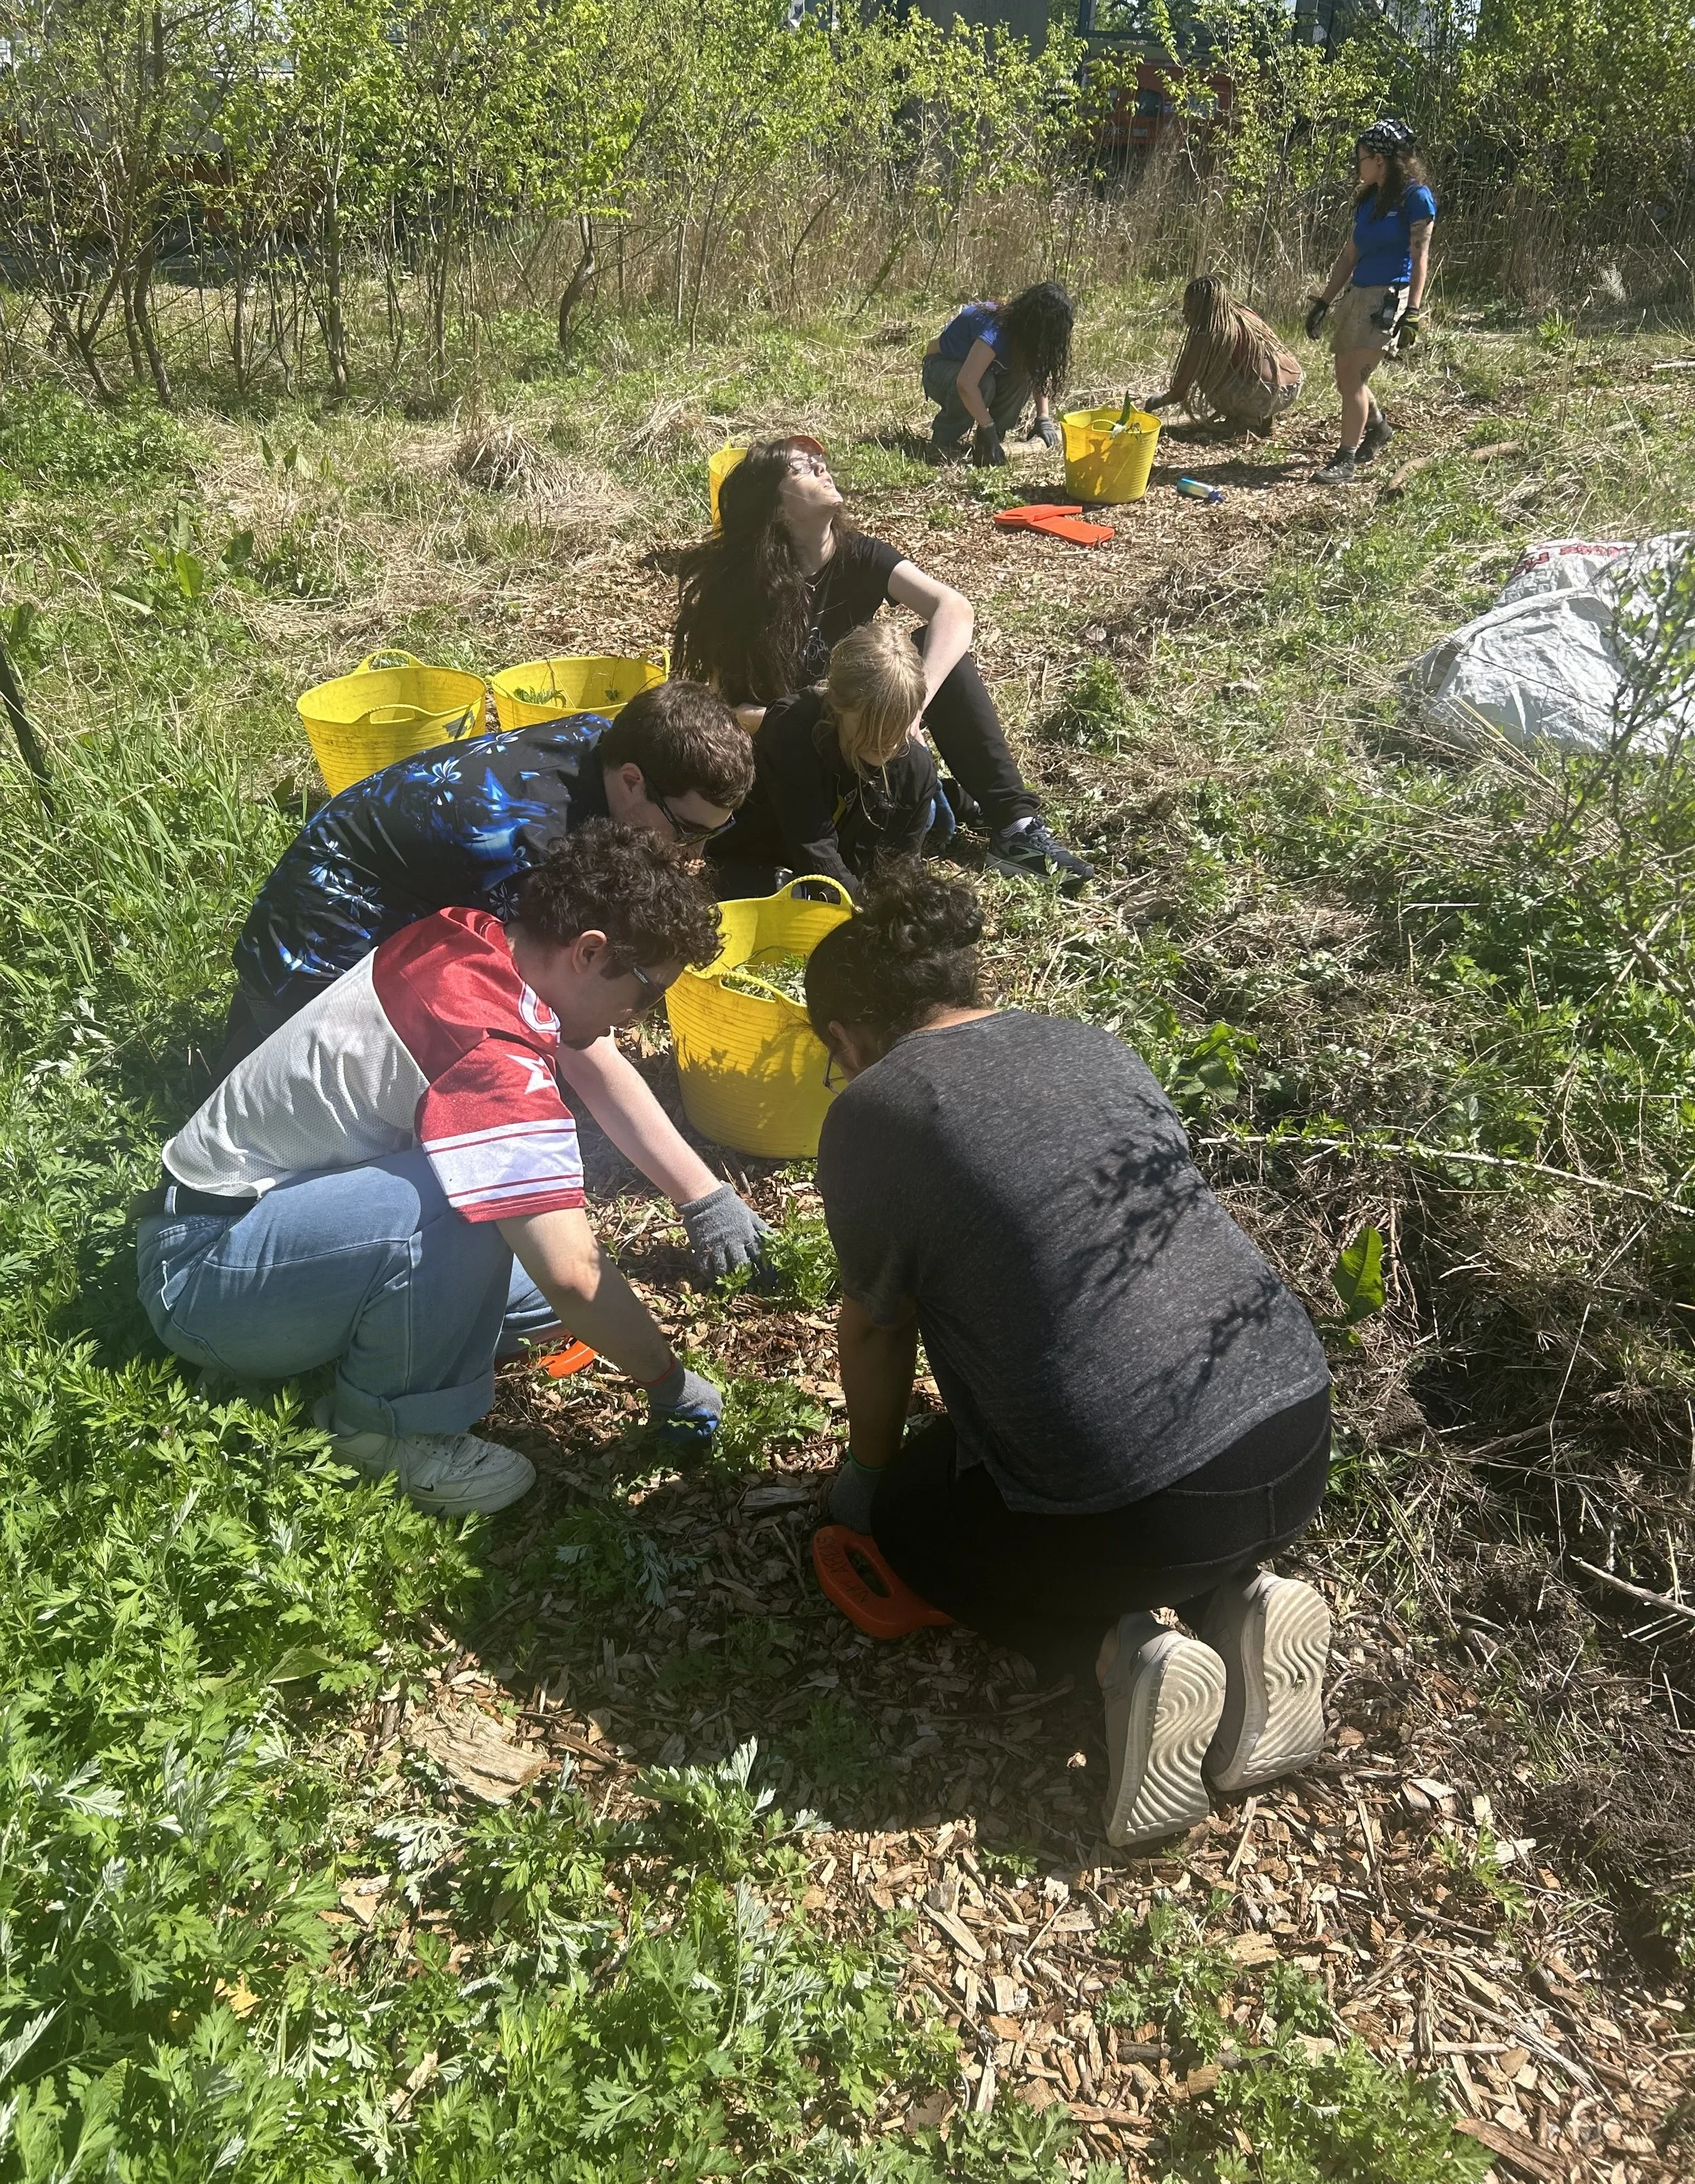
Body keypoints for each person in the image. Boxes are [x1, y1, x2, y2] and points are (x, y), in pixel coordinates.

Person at [804, 863, 1335, 1848]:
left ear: (846, 1037)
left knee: (920, 1513)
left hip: (1141, 1501)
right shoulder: (1087, 1041)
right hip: (1297, 1429)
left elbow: (878, 1329)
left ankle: (1117, 1653)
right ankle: (1241, 1596)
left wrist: (868, 1478)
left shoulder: (878, 1108)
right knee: (1147, 1477)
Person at [138, 824, 730, 1518]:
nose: (637, 1018)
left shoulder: (473, 940)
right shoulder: (485, 1051)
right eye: (648, 993)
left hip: (253, 1227)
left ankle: (365, 1341)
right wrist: (668, 1384)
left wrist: (702, 1197)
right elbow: (572, 1270)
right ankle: (383, 1431)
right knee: (481, 1208)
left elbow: (584, 1062)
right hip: (205, 1280)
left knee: (538, 1294)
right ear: (590, 952)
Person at [220, 681, 770, 1282]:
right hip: (308, 961)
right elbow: (573, 1033)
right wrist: (701, 1194)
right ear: (634, 781)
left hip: (353, 915)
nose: (694, 855)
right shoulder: (528, 842)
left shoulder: (604, 743)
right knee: (455, 1166)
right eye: (688, 831)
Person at [673, 437, 1093, 891]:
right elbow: (717, 713)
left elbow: (954, 609)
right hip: (786, 752)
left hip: (863, 732)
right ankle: (925, 809)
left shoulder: (859, 555)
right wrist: (816, 713)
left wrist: (911, 703)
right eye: (800, 467)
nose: (820, 467)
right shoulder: (739, 590)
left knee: (938, 656)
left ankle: (1014, 828)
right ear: (775, 507)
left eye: (819, 460)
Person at [708, 620, 937, 902]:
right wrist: (866, 911)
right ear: (838, 705)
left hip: (844, 883)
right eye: (872, 722)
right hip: (762, 860)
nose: (887, 739)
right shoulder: (793, 727)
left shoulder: (916, 771)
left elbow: (903, 870)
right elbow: (814, 846)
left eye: (899, 722)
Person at [1304, 119, 1436, 485]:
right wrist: (1323, 302)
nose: (1356, 165)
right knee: (1345, 376)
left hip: (1389, 296)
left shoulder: (1415, 197)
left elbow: (1420, 254)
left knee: (1353, 376)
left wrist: (1413, 311)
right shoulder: (1369, 200)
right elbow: (1349, 255)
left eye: (1360, 158)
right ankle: (1378, 428)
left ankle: (1346, 459)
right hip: (1358, 293)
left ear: (1379, 160)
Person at [921, 281, 1074, 466]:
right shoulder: (996, 329)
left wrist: (1043, 418)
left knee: (1022, 376)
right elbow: (966, 383)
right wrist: (988, 427)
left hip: (975, 373)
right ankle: (944, 443)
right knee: (983, 383)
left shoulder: (1029, 335)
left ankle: (990, 444)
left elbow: (1037, 372)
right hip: (938, 368)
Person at [1144, 275, 1304, 435]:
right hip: (1294, 385)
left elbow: (1180, 392)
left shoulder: (1208, 334)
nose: (1184, 313)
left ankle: (1246, 422)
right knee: (1238, 366)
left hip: (1266, 395)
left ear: (1201, 309)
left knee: (1208, 369)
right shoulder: (1246, 314)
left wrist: (1156, 402)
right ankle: (1264, 418)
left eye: (1189, 308)